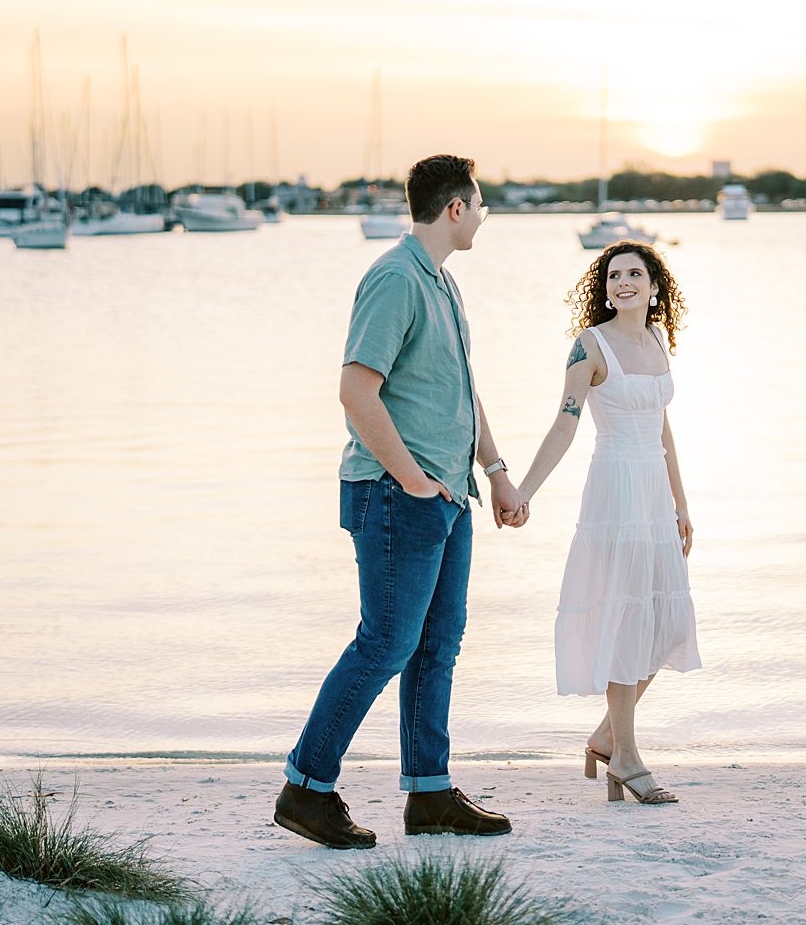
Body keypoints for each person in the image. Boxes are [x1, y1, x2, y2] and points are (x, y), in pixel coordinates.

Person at [275, 154, 527, 850]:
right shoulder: (393, 280)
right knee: (386, 642)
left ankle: (430, 794)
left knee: (435, 647)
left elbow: (459, 392)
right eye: (479, 203)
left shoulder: (441, 283)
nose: (482, 215)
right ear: (455, 208)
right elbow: (357, 390)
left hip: (450, 494)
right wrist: (414, 481)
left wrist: (497, 471)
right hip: (399, 494)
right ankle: (306, 788)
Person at [516, 240, 700, 805]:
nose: (623, 282)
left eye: (634, 274)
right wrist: (522, 491)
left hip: (654, 498)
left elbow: (663, 428)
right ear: (605, 287)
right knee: (626, 621)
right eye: (614, 274)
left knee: (667, 623)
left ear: (653, 285)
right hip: (615, 494)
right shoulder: (590, 346)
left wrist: (681, 503)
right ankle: (626, 756)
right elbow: (565, 424)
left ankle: (604, 736)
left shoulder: (657, 340)